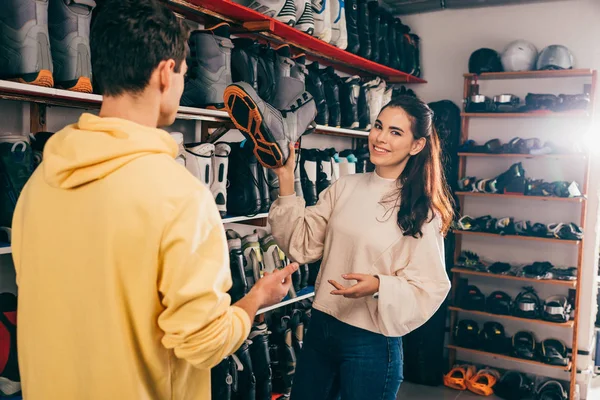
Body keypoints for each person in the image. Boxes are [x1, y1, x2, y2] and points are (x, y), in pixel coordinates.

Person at [11, 1, 297, 399]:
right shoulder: (179, 197)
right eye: (183, 71)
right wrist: (257, 299)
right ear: (166, 72)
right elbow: (204, 343)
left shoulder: (41, 183)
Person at [269, 95, 454, 400]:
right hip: (321, 326)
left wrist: (379, 285)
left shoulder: (422, 211)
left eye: (396, 132)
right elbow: (300, 245)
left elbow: (431, 286)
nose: (380, 138)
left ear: (416, 145)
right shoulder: (345, 187)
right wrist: (286, 181)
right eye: (378, 126)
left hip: (370, 340)